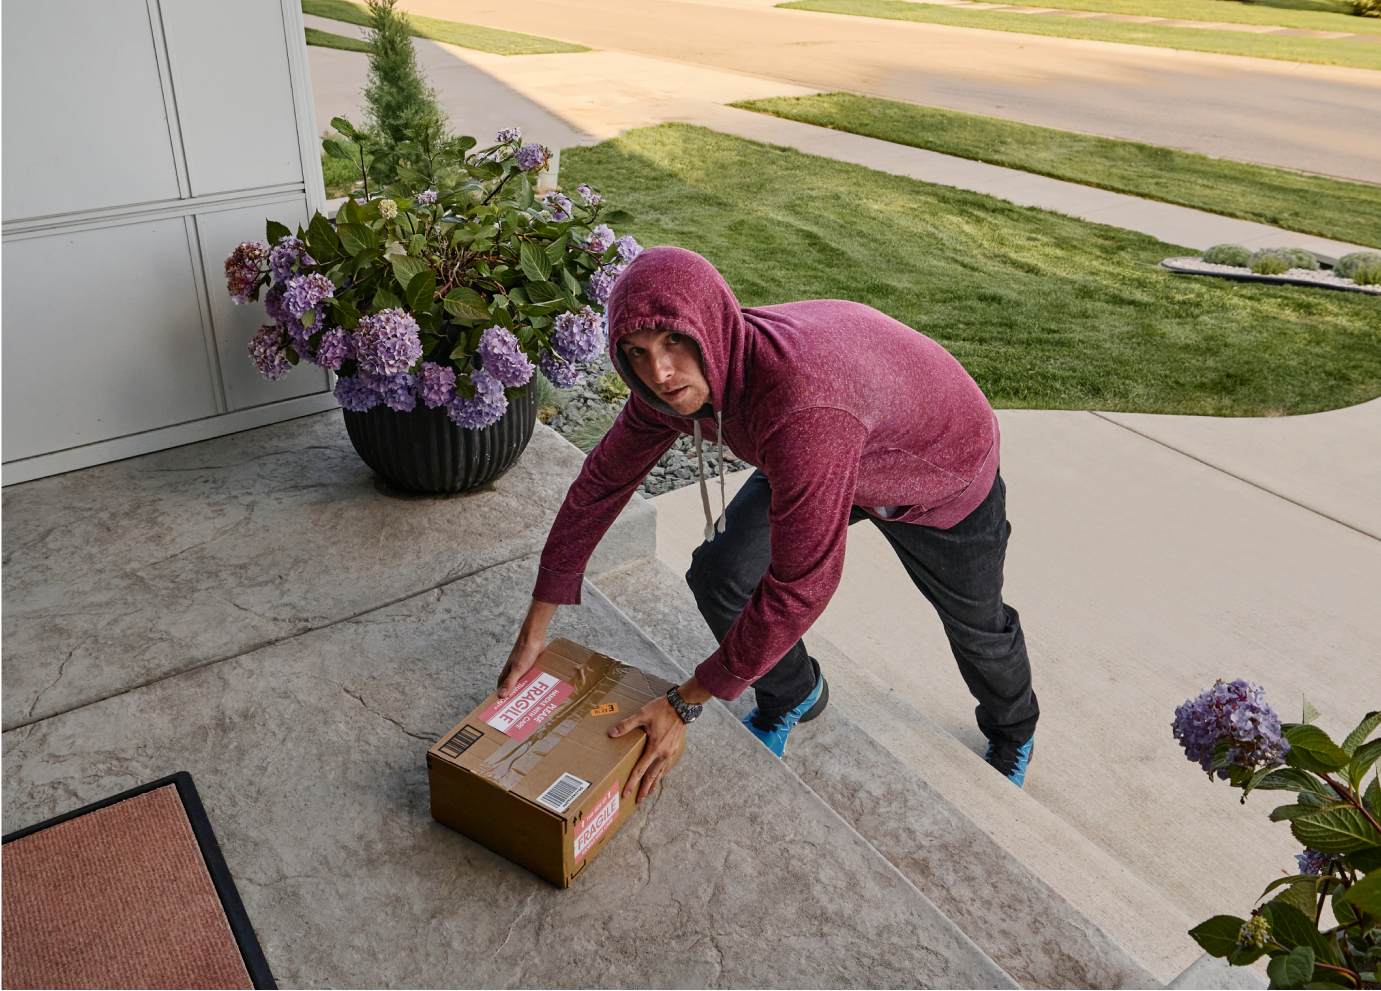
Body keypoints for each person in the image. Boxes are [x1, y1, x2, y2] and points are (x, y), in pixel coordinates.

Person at [498, 247, 1038, 805]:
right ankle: (794, 692)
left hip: (938, 472)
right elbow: (601, 485)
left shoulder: (801, 408)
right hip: (838, 444)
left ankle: (1013, 730)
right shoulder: (682, 385)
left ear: (708, 327)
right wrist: (536, 626)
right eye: (636, 352)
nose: (658, 372)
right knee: (721, 572)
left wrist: (684, 702)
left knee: (978, 624)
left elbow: (802, 585)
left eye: (674, 341)